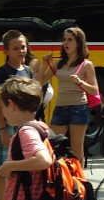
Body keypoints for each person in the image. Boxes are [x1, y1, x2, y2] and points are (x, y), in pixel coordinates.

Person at [0, 31, 42, 200]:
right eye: (16, 48)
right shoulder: (3, 73)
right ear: (6, 51)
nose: (21, 50)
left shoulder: (27, 70)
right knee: (2, 169)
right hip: (6, 125)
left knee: (18, 167)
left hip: (22, 125)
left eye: (23, 46)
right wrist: (2, 129)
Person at [37, 27, 96, 164]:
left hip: (79, 107)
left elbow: (94, 90)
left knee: (76, 149)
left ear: (78, 43)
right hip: (60, 108)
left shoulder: (86, 65)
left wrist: (80, 83)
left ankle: (79, 179)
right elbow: (40, 82)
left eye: (70, 40)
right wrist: (44, 65)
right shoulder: (59, 63)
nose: (65, 43)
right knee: (51, 144)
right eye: (64, 39)